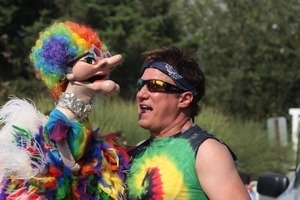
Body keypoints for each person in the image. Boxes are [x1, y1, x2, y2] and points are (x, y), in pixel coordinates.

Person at [0, 21, 129, 199]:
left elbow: (107, 87)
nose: (102, 65)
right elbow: (59, 139)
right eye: (90, 60)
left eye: (102, 58)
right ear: (67, 72)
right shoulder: (61, 117)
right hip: (58, 174)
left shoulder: (81, 113)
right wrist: (71, 165)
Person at [125, 46, 250, 199]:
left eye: (154, 85)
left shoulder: (207, 152)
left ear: (184, 99)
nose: (141, 94)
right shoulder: (135, 154)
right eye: (140, 85)